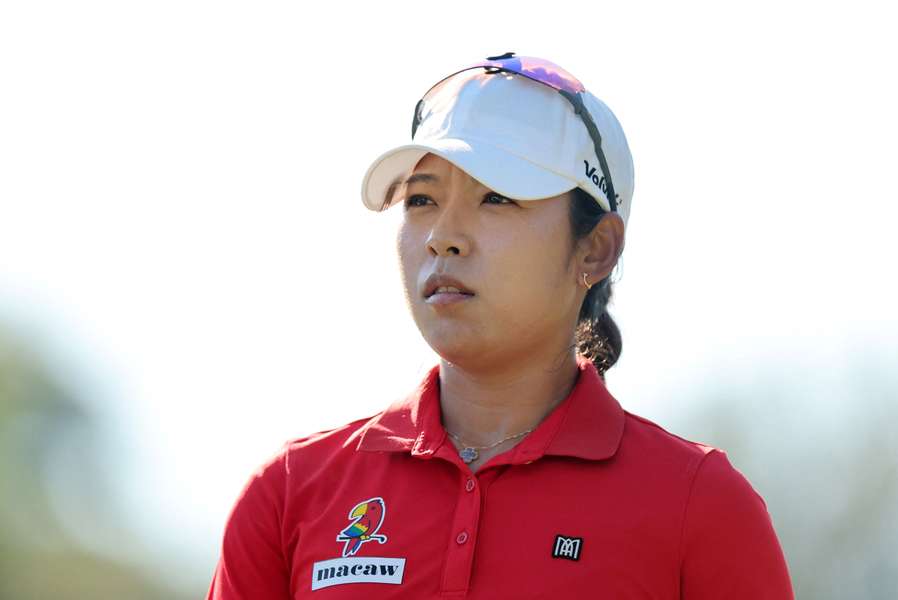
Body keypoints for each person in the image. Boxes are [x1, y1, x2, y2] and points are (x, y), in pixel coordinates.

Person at [206, 52, 794, 599]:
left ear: (595, 248)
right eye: (420, 200)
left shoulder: (700, 505)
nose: (444, 236)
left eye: (497, 199)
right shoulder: (290, 493)